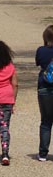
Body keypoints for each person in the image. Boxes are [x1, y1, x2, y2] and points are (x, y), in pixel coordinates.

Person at [35, 24, 53, 161]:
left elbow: (38, 63)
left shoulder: (41, 50)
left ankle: (43, 153)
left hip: (44, 88)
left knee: (46, 122)